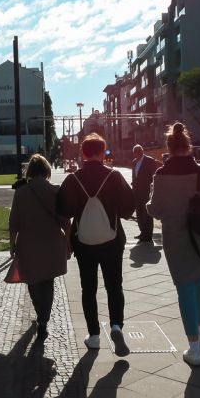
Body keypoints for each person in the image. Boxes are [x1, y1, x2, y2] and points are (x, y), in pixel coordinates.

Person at [146, 122, 200, 367]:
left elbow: (155, 210)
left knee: (185, 289)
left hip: (176, 239)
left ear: (168, 147)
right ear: (188, 146)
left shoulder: (160, 176)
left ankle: (193, 348)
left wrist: (152, 198)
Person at [58, 133, 135, 355]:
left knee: (88, 288)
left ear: (83, 153)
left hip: (84, 241)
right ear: (103, 153)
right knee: (114, 285)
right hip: (112, 240)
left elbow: (63, 208)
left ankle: (93, 336)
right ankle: (116, 326)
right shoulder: (114, 176)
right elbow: (129, 207)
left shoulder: (73, 179)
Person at [8, 154, 71, 339]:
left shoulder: (21, 193)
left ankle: (40, 313)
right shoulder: (56, 191)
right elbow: (66, 222)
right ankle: (43, 320)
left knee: (33, 281)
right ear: (46, 170)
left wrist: (12, 245)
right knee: (48, 283)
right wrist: (67, 244)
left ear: (30, 172)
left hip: (28, 244)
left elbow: (14, 223)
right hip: (52, 244)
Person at [131, 144, 160, 243]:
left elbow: (154, 176)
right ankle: (142, 232)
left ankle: (148, 235)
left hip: (147, 191)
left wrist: (153, 189)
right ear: (133, 153)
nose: (137, 153)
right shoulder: (134, 162)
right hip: (137, 192)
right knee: (139, 213)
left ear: (142, 151)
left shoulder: (149, 160)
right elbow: (134, 176)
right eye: (135, 151)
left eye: (139, 150)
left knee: (147, 214)